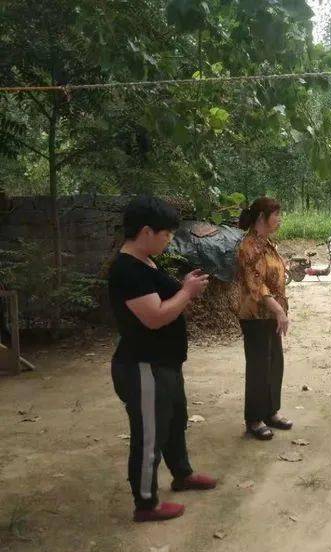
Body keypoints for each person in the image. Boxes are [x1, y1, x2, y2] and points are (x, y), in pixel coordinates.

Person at [108, 195, 217, 523]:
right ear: (145, 232)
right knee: (150, 434)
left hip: (164, 363)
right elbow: (154, 317)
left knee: (174, 421)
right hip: (143, 365)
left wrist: (185, 288)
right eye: (166, 233)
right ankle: (146, 503)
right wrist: (186, 292)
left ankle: (182, 474)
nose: (170, 238)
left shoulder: (146, 262)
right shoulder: (127, 270)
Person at [236, 196, 293, 440]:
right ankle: (254, 419)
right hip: (256, 314)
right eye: (276, 214)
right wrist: (278, 310)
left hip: (272, 313)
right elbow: (256, 286)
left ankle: (271, 412)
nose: (279, 219)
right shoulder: (248, 246)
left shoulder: (268, 244)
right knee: (259, 366)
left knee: (274, 364)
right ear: (261, 217)